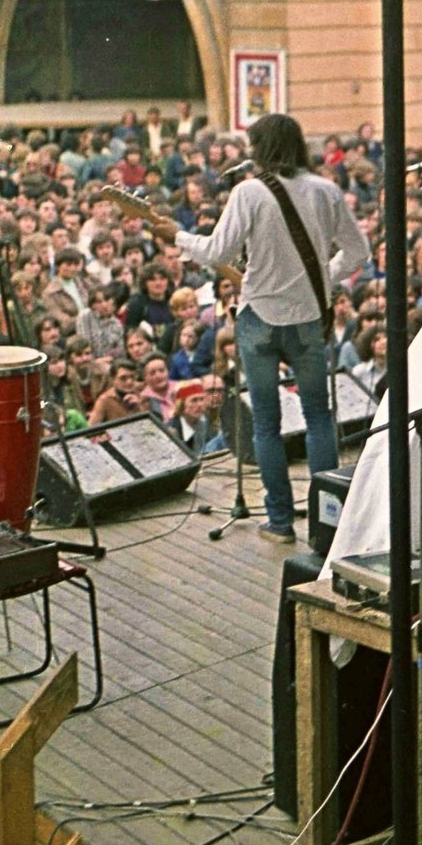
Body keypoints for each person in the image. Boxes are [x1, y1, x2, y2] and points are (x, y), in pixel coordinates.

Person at [157, 112, 369, 543]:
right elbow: (358, 250)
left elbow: (218, 250)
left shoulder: (249, 192)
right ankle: (328, 523)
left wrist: (176, 235)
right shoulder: (327, 191)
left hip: (260, 318)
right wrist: (323, 279)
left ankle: (279, 521)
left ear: (261, 148)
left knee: (266, 424)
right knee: (319, 417)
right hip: (310, 317)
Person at [89, 359, 145, 425]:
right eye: (123, 378)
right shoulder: (105, 400)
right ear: (113, 380)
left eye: (132, 377)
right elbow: (91, 427)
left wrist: (138, 406)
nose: (129, 382)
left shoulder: (142, 392)